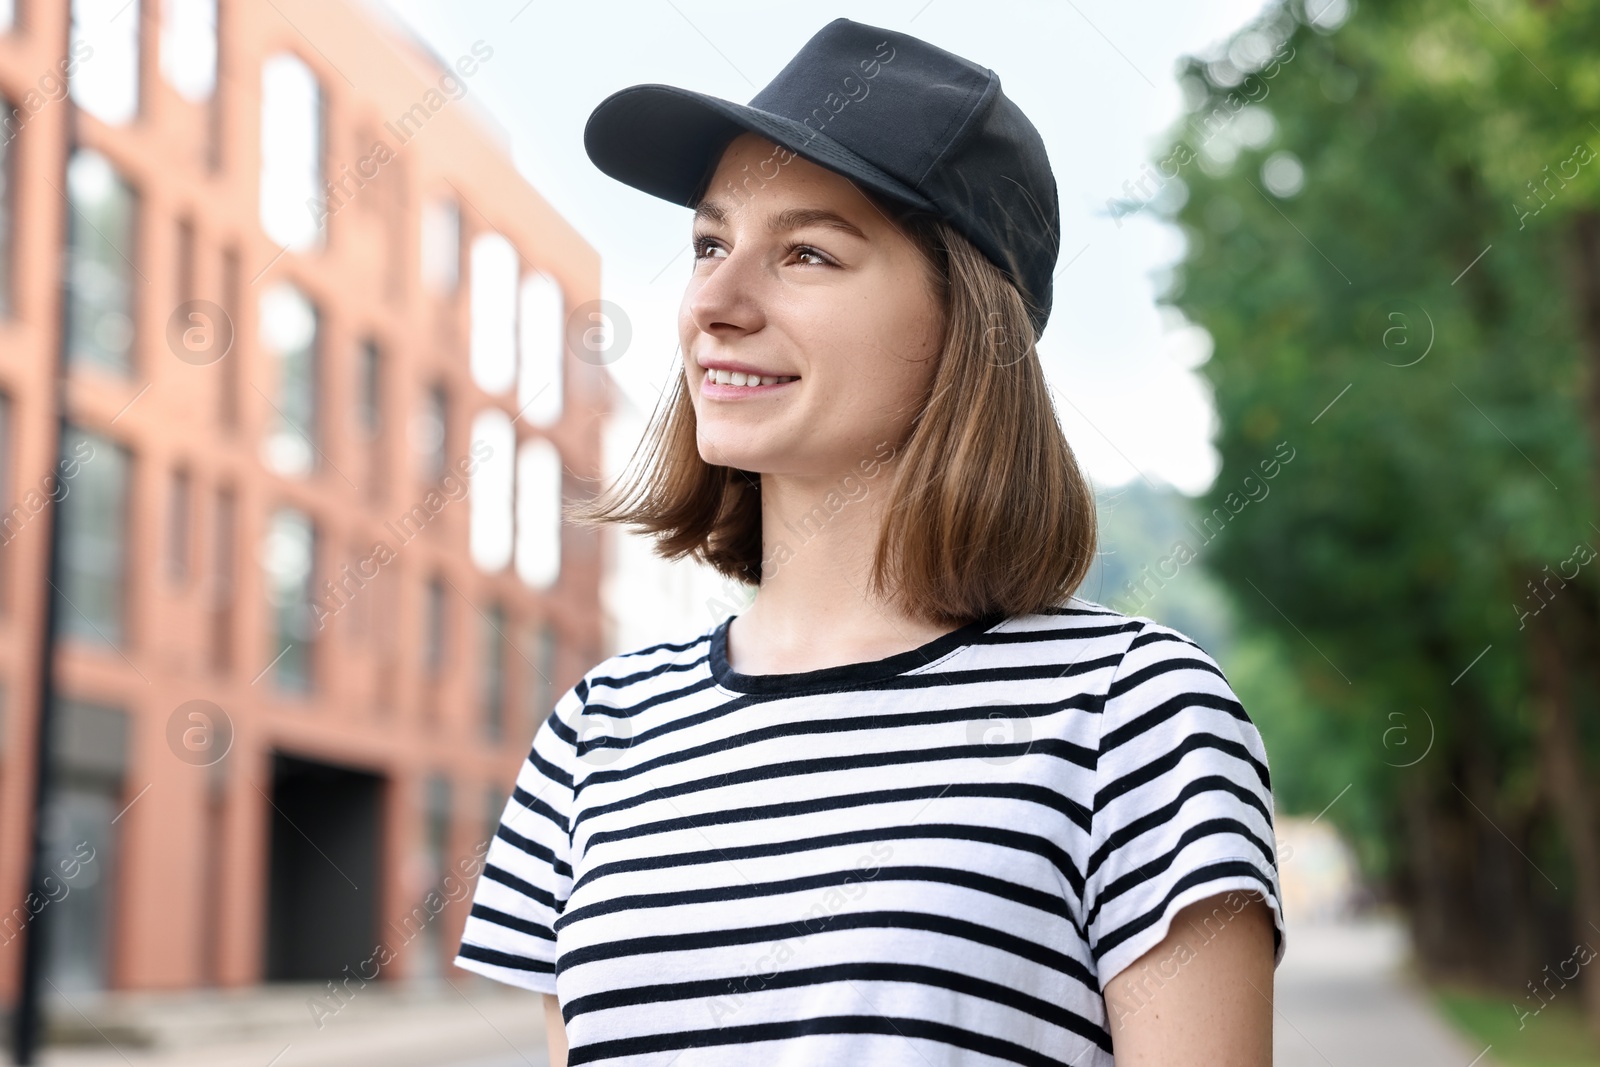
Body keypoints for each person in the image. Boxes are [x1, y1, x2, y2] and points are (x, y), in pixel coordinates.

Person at [455, 17, 1283, 1066]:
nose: (713, 300)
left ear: (964, 322)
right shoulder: (597, 735)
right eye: (711, 243)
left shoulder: (1130, 717)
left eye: (805, 252)